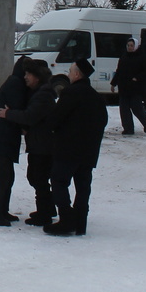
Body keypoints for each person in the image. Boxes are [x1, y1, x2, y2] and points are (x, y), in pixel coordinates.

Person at [42, 58, 108, 236]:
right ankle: (80, 221)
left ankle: (66, 219)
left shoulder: (70, 93)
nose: (69, 74)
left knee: (58, 180)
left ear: (78, 74)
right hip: (89, 151)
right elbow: (104, 121)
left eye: (71, 71)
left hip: (68, 149)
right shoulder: (96, 96)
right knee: (83, 184)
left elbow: (56, 118)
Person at [0, 59, 57, 226]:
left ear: (37, 77)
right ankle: (48, 209)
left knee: (38, 178)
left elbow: (30, 116)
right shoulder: (40, 93)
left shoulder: (43, 95)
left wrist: (8, 114)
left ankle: (45, 214)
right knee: (37, 178)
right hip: (40, 143)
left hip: (43, 146)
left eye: (28, 74)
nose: (25, 77)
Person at [0, 57, 29, 226]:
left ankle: (1, 209)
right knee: (2, 176)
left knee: (7, 175)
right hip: (3, 137)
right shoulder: (15, 84)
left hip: (4, 137)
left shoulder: (14, 81)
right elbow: (18, 108)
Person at [111, 38, 146, 135]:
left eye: (131, 45)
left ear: (136, 46)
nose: (129, 47)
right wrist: (113, 83)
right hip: (124, 87)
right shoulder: (124, 57)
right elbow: (119, 71)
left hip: (135, 88)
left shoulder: (142, 57)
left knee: (136, 108)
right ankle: (128, 128)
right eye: (128, 45)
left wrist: (137, 78)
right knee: (124, 110)